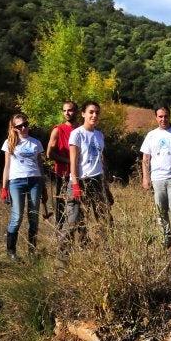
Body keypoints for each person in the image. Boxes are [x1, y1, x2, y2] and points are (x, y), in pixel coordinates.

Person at [60, 101, 112, 261]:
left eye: (97, 112)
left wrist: (106, 187)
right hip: (80, 181)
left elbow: (101, 162)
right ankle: (62, 262)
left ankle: (108, 258)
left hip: (97, 181)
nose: (94, 115)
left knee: (105, 221)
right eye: (91, 112)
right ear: (83, 114)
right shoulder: (77, 133)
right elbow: (73, 162)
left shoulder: (99, 135)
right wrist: (75, 185)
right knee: (72, 221)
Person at [141, 105, 171, 252]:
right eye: (160, 116)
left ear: (169, 116)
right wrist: (145, 177)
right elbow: (145, 158)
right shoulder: (151, 135)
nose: (163, 119)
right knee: (160, 212)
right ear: (156, 117)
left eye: (166, 116)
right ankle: (165, 239)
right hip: (157, 179)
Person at [1, 113, 47, 260]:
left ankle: (32, 252)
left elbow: (40, 165)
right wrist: (4, 187)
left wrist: (44, 187)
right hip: (16, 183)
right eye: (19, 126)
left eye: (25, 124)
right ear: (13, 128)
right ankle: (11, 252)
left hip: (35, 181)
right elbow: (6, 166)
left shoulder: (36, 143)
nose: (23, 128)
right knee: (17, 217)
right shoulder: (9, 143)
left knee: (33, 218)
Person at [46, 101, 78, 230]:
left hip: (80, 174)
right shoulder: (58, 130)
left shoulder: (80, 130)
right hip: (63, 174)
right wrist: (69, 161)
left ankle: (83, 239)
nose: (67, 113)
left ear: (76, 111)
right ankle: (60, 237)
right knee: (61, 207)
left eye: (70, 110)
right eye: (64, 111)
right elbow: (49, 154)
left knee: (78, 207)